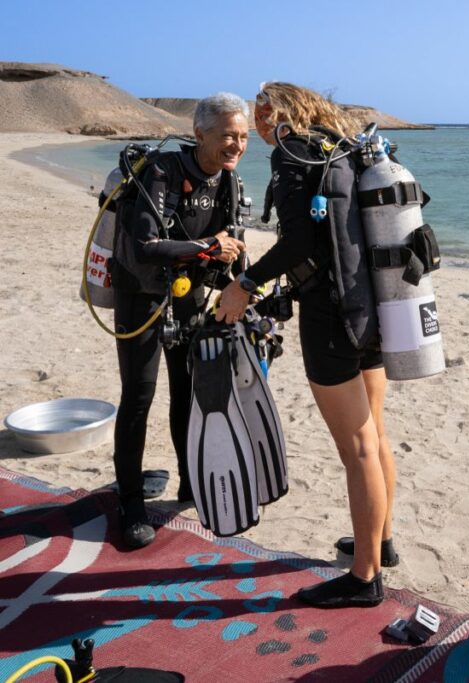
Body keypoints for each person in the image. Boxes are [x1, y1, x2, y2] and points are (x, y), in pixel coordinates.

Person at [217, 82, 397, 608]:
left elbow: (297, 243)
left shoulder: (294, 152)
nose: (256, 123)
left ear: (276, 110)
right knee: (376, 435)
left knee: (357, 448)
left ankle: (365, 578)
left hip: (330, 316)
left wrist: (244, 285)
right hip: (374, 309)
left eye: (259, 112)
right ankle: (382, 541)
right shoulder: (340, 146)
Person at [112, 93, 249, 548]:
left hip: (188, 298)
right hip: (144, 296)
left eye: (244, 136)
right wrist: (209, 246)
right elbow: (146, 245)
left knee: (187, 395)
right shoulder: (164, 171)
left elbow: (230, 256)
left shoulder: (228, 182)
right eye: (228, 135)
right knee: (139, 396)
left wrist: (247, 284)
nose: (237, 145)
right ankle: (130, 503)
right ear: (200, 134)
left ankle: (191, 483)